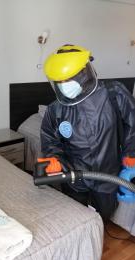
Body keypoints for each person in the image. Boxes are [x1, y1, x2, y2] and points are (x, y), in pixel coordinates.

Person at [40, 44, 135, 220]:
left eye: (67, 79)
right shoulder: (55, 111)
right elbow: (50, 141)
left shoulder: (114, 94)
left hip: (108, 175)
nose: (63, 85)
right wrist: (53, 159)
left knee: (103, 216)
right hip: (74, 179)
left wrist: (131, 153)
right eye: (59, 81)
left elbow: (133, 122)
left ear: (84, 74)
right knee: (76, 218)